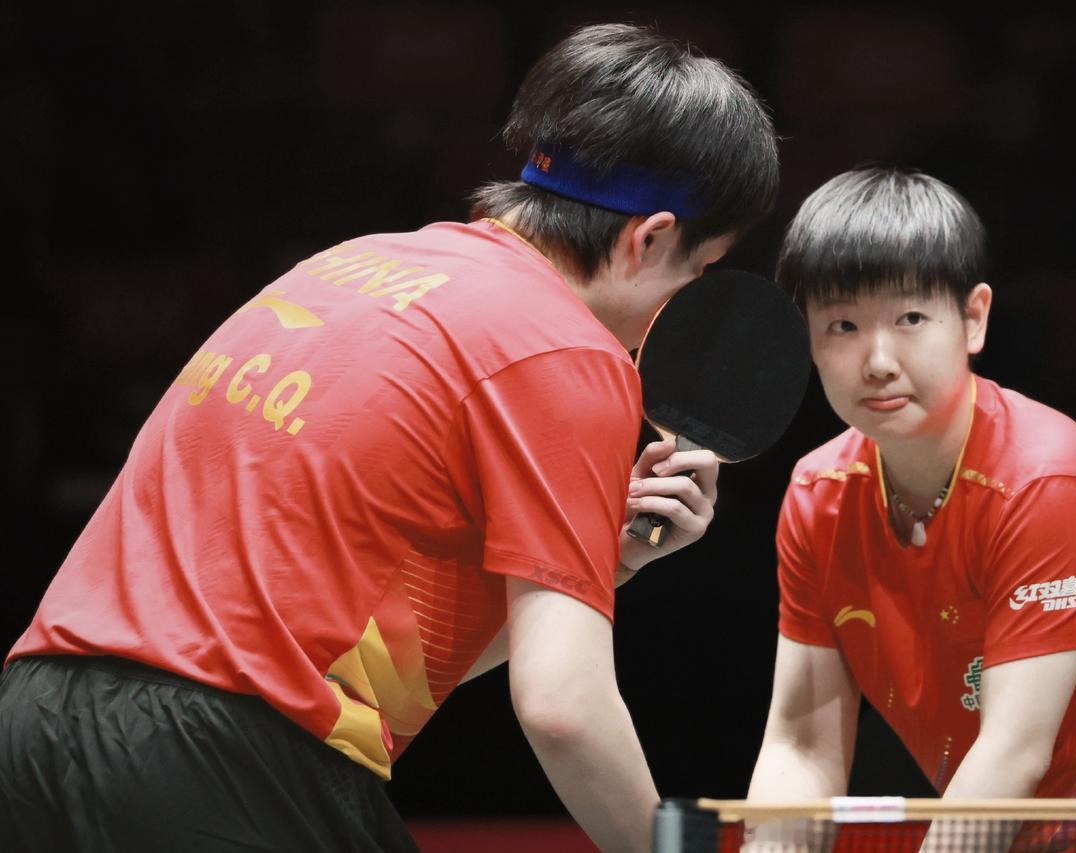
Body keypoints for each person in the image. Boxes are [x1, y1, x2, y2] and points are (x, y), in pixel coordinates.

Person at [0, 23, 778, 853]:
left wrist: (605, 560)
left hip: (32, 727)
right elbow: (563, 707)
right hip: (217, 759)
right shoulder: (567, 350)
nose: (687, 300)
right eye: (699, 271)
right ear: (648, 238)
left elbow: (386, 664)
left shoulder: (348, 267)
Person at [747, 167, 1076, 844]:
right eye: (842, 324)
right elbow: (802, 745)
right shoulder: (820, 496)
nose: (878, 360)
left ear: (973, 318)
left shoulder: (1046, 483)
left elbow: (1011, 755)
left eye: (911, 318)